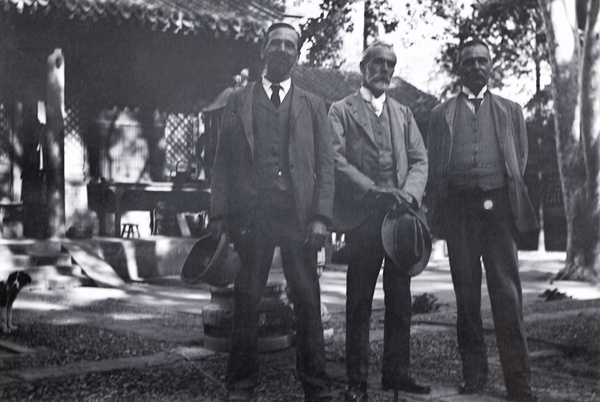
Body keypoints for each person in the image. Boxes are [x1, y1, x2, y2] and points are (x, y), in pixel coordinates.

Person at [209, 22, 334, 402]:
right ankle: (241, 385)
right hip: (253, 215)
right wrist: (219, 216)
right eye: (275, 43)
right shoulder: (238, 100)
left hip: (298, 216)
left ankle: (316, 385)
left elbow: (325, 167)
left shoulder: (313, 104)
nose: (282, 49)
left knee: (308, 300)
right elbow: (222, 163)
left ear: (297, 55)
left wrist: (320, 217)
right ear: (263, 50)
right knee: (246, 299)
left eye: (290, 45)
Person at [427, 39, 538, 402]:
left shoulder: (511, 110)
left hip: (499, 208)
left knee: (507, 295)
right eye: (469, 61)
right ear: (459, 68)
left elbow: (518, 160)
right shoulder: (440, 114)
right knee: (466, 296)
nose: (476, 66)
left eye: (482, 61)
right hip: (460, 211)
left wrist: (493, 184)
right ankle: (474, 375)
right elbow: (435, 165)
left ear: (491, 66)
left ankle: (518, 382)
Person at [328, 41, 430, 402]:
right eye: (377, 62)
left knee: (400, 298)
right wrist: (372, 189)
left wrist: (410, 195)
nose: (384, 69)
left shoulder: (403, 113)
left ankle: (397, 374)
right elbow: (335, 159)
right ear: (363, 66)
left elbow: (420, 160)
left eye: (390, 64)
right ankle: (356, 379)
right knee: (359, 301)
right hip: (363, 219)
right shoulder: (341, 111)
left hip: (400, 218)